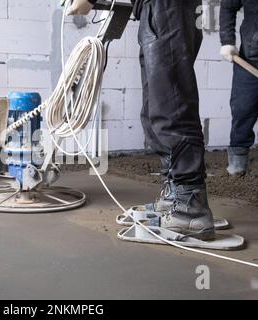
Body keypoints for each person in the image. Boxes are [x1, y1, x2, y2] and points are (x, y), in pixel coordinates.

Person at [67, 0, 215, 240]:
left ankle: (191, 206)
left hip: (168, 7)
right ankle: (174, 194)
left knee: (172, 106)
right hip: (155, 8)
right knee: (154, 109)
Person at [220, 0, 258, 175]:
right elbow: (227, 7)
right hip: (250, 60)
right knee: (242, 111)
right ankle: (237, 164)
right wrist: (227, 41)